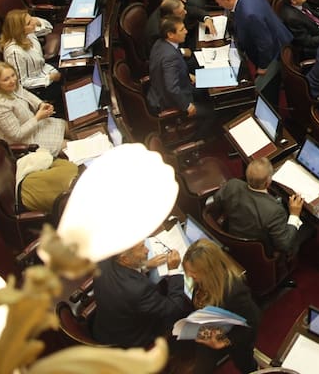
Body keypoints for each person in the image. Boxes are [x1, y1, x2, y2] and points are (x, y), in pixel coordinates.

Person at [181, 239, 262, 374]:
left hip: (234, 338)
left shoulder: (234, 291)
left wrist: (226, 341)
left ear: (210, 271)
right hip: (209, 332)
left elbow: (253, 321)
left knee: (245, 364)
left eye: (193, 272)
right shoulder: (201, 280)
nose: (189, 275)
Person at [91, 241, 190, 349]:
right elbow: (175, 308)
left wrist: (144, 265)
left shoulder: (102, 261)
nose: (147, 250)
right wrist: (174, 270)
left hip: (105, 326)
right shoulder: (139, 290)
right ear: (125, 259)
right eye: (142, 247)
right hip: (130, 340)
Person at [211, 0, 292, 107]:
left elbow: (265, 44)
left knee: (266, 88)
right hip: (270, 30)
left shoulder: (250, 14)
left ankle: (271, 109)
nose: (218, 5)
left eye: (218, 2)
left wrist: (263, 66)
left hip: (274, 51)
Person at [217, 158, 307, 256]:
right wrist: (294, 214)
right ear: (268, 182)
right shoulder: (274, 211)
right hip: (260, 252)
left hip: (233, 236)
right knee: (307, 226)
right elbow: (284, 245)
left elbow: (217, 201)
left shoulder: (232, 184)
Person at [147, 17, 216, 137]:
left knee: (207, 90)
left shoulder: (161, 44)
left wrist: (187, 75)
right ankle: (199, 141)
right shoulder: (170, 57)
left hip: (173, 87)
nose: (186, 31)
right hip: (169, 100)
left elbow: (168, 68)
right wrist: (187, 105)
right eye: (182, 29)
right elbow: (171, 88)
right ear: (170, 34)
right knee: (212, 112)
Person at [0, 62, 66, 156]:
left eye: (13, 75)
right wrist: (38, 117)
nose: (12, 80)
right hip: (24, 140)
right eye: (6, 79)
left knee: (71, 128)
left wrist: (40, 104)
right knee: (68, 147)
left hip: (32, 124)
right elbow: (17, 135)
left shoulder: (11, 85)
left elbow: (25, 93)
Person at [0, 9, 61, 102]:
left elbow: (48, 28)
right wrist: (49, 78)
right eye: (29, 23)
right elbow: (21, 83)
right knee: (72, 81)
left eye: (31, 18)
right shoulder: (14, 52)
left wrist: (37, 21)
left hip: (45, 69)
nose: (33, 23)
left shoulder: (28, 33)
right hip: (38, 87)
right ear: (20, 29)